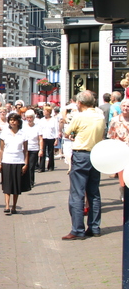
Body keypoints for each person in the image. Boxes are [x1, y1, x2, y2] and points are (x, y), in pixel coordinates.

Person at [62, 90, 106, 240]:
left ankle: (77, 229)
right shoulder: (100, 116)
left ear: (79, 103)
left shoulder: (79, 116)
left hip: (81, 154)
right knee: (94, 193)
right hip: (96, 154)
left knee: (77, 193)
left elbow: (67, 132)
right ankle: (94, 227)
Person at [0, 113, 30, 215]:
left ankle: (14, 206)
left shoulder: (23, 134)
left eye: (14, 120)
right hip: (7, 161)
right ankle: (7, 205)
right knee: (7, 184)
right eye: (11, 120)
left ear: (18, 122)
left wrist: (26, 164)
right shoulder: (4, 133)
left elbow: (25, 150)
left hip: (18, 161)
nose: (12, 122)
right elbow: (1, 150)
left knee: (16, 186)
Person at [107, 98, 129, 202]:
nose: (126, 108)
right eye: (124, 106)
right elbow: (111, 135)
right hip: (120, 149)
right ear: (121, 107)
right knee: (122, 171)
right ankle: (123, 188)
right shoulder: (115, 120)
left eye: (128, 106)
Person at [23, 109, 42, 188]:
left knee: (31, 166)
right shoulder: (23, 126)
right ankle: (24, 181)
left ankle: (31, 182)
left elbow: (40, 139)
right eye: (28, 118)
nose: (29, 119)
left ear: (33, 118)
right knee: (24, 165)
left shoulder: (37, 126)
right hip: (25, 149)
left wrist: (41, 149)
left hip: (34, 148)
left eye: (31, 117)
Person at [38, 105, 59, 172]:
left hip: (51, 137)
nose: (44, 112)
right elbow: (40, 129)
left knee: (50, 152)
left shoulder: (54, 120)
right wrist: (40, 137)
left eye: (45, 111)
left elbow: (56, 129)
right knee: (42, 152)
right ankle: (41, 167)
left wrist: (56, 139)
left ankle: (50, 166)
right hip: (43, 137)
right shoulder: (41, 120)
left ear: (49, 112)